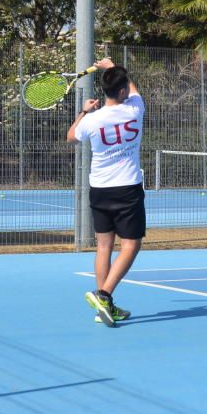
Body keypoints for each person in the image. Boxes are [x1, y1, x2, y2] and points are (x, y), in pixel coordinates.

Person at [67, 57, 145, 327]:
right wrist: (112, 66)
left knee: (103, 246)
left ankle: (105, 307)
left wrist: (84, 112)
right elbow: (133, 90)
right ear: (122, 91)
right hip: (127, 189)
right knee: (132, 245)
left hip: (99, 189)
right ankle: (104, 294)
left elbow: (71, 137)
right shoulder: (135, 109)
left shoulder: (92, 120)